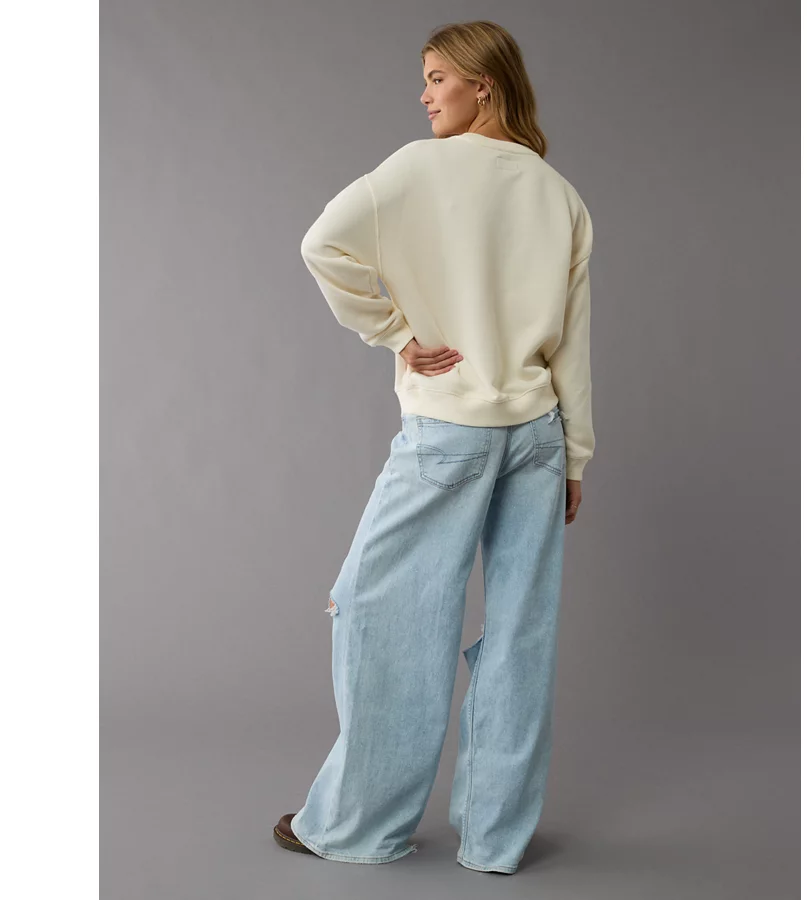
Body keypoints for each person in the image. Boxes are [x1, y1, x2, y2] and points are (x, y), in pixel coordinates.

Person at [272, 20, 595, 875]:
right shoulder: (559, 194)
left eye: (437, 78)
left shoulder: (417, 169)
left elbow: (321, 245)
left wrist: (396, 333)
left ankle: (358, 827)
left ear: (483, 84)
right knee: (521, 634)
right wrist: (576, 457)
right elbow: (573, 342)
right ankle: (495, 841)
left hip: (451, 431)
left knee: (385, 616)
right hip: (537, 436)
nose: (424, 95)